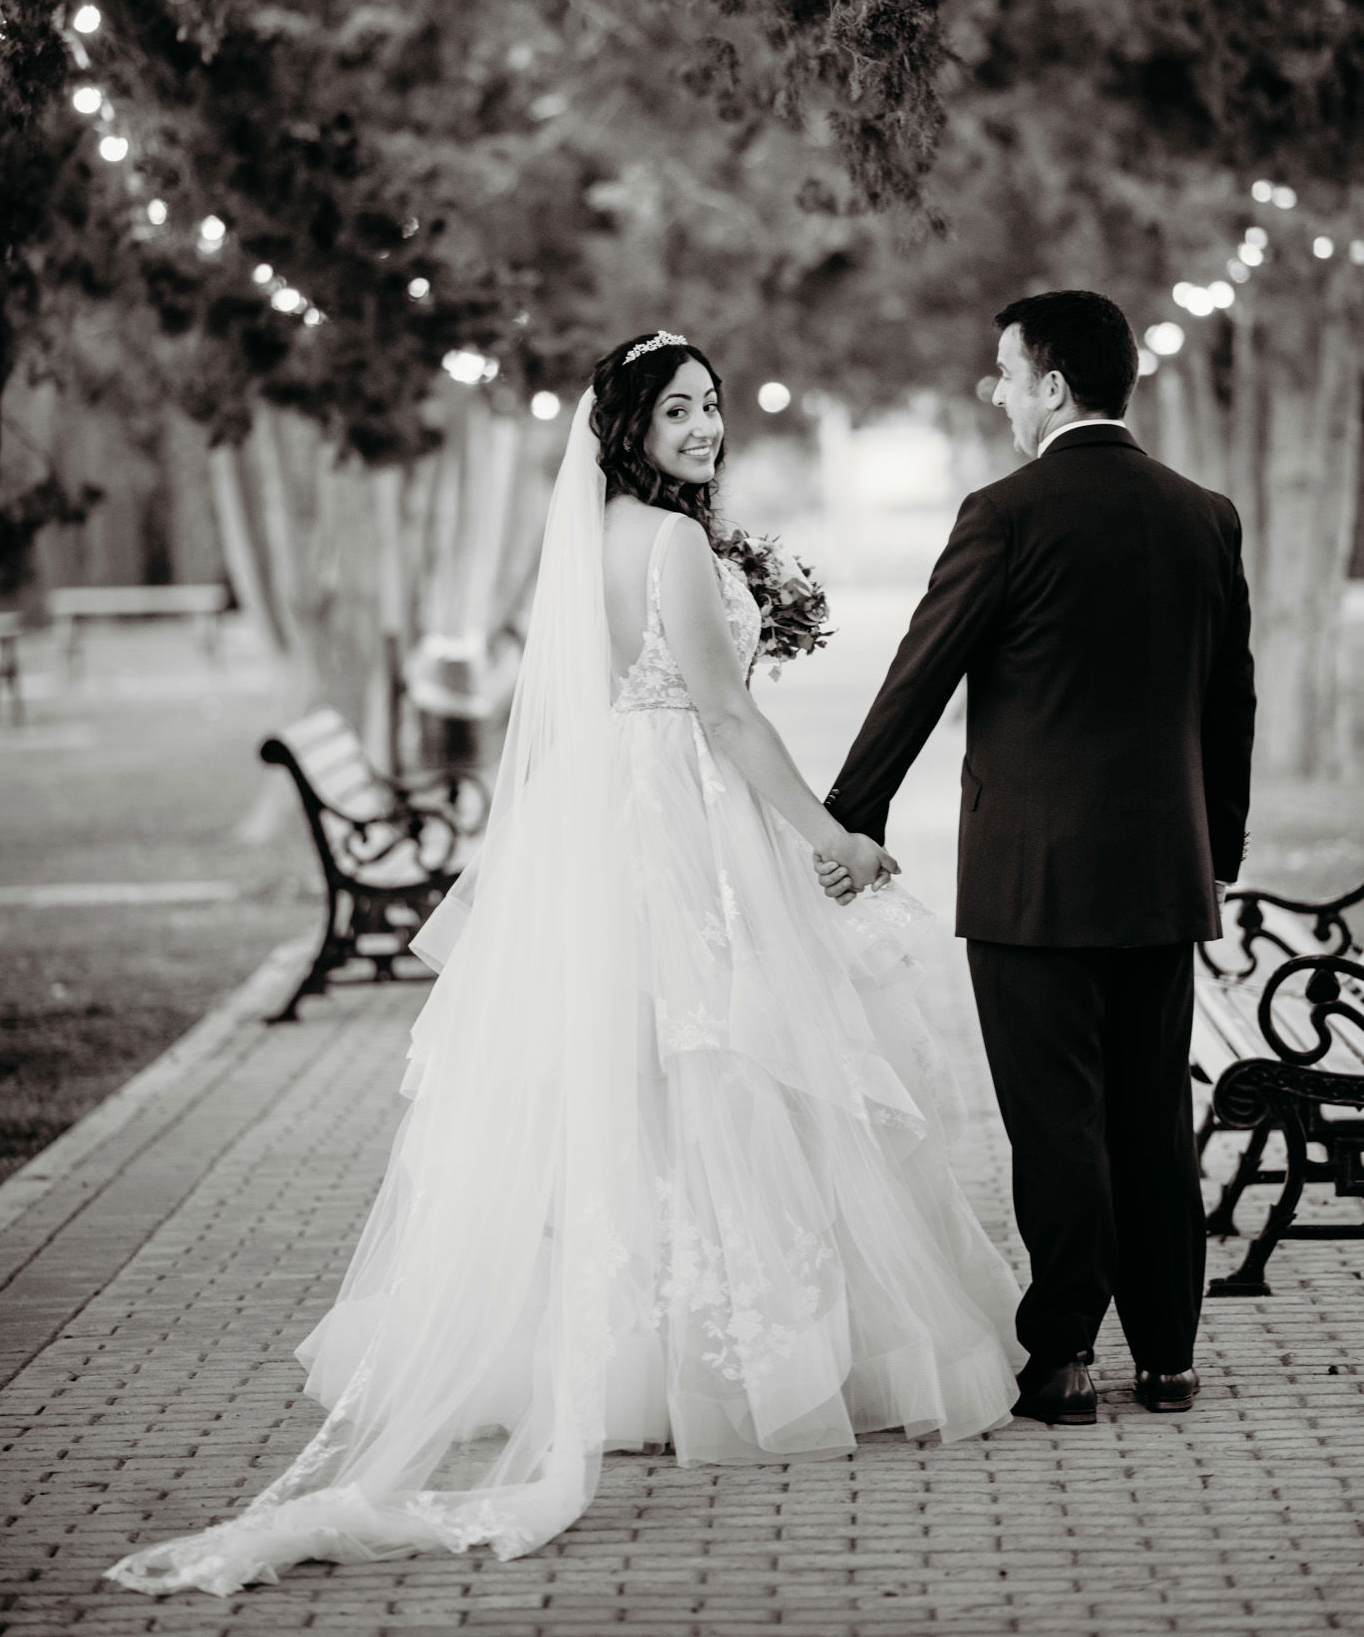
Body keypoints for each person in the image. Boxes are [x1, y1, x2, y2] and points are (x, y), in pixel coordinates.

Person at [108, 331, 1023, 1599]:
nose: (704, 427)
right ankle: (711, 1359)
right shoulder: (676, 544)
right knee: (718, 1059)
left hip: (602, 823)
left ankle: (615, 1353)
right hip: (680, 829)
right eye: (679, 410)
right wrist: (832, 838)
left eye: (711, 406)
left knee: (637, 1071)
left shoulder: (591, 537)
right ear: (630, 425)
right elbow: (724, 714)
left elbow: (594, 705)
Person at [818, 291, 1255, 1427]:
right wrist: (1220, 852)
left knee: (1056, 1122)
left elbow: (923, 671)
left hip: (1031, 881)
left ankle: (1062, 1355)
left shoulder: (1004, 513)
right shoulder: (1204, 513)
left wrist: (850, 814)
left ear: (1053, 385)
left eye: (1006, 371)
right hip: (1167, 873)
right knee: (1153, 1118)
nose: (997, 390)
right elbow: (1232, 705)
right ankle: (1168, 1357)